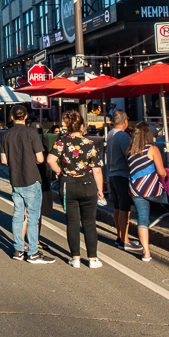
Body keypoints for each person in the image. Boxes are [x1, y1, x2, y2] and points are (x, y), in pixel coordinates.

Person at [47, 110, 104, 268]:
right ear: (83, 127)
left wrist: (59, 172)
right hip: (87, 183)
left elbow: (50, 160)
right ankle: (92, 258)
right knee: (89, 223)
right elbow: (97, 170)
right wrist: (100, 189)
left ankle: (76, 258)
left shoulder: (62, 142)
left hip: (68, 184)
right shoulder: (89, 144)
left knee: (72, 223)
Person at [126, 122, 169, 262]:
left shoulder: (130, 151)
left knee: (142, 219)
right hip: (152, 189)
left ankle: (146, 253)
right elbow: (161, 172)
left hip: (135, 189)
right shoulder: (152, 149)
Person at [0, 104, 54, 263]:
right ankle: (33, 253)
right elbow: (40, 158)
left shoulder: (6, 135)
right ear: (25, 117)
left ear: (11, 117)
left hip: (15, 179)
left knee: (18, 215)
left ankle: (18, 249)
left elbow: (3, 160)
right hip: (31, 178)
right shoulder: (31, 133)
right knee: (32, 217)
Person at [106, 110, 142, 252]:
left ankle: (120, 236)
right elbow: (129, 156)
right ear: (125, 121)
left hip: (113, 174)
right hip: (122, 174)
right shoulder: (123, 136)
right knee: (124, 209)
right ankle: (125, 239)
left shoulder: (110, 133)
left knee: (117, 207)